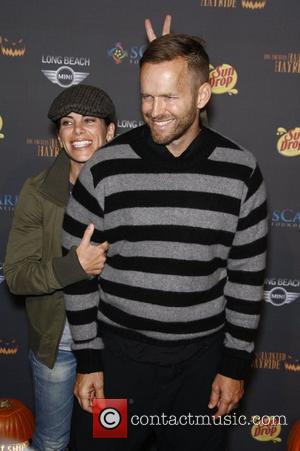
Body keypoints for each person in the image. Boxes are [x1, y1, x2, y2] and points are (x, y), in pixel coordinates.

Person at [63, 33, 268, 451]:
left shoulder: (241, 172)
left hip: (201, 370)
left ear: (204, 94)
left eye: (170, 97)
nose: (155, 111)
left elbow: (246, 280)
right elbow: (77, 271)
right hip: (118, 364)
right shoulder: (105, 168)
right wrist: (88, 360)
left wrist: (234, 367)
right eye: (147, 97)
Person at [4, 84, 116, 450]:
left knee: (107, 442)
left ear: (110, 131)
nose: (78, 131)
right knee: (52, 443)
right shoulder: (37, 191)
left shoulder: (130, 189)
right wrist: (74, 266)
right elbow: (17, 275)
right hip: (60, 349)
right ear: (58, 136)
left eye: (89, 121)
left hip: (115, 349)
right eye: (68, 122)